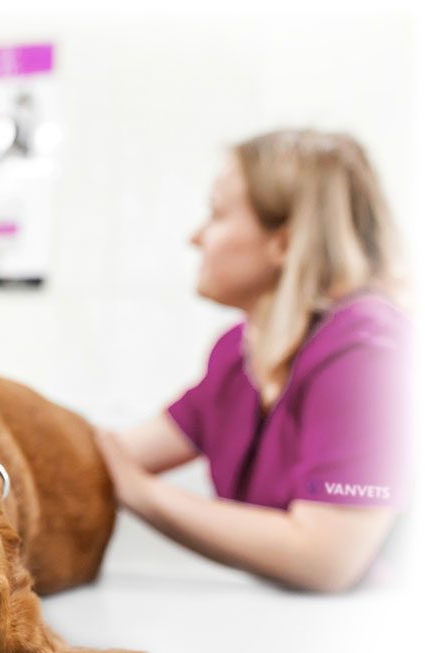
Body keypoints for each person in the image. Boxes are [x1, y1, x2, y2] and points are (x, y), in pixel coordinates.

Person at [94, 129, 411, 593]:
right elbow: (110, 455)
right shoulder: (237, 355)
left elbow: (327, 557)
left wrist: (139, 492)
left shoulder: (369, 354)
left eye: (217, 214)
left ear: (284, 243)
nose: (195, 237)